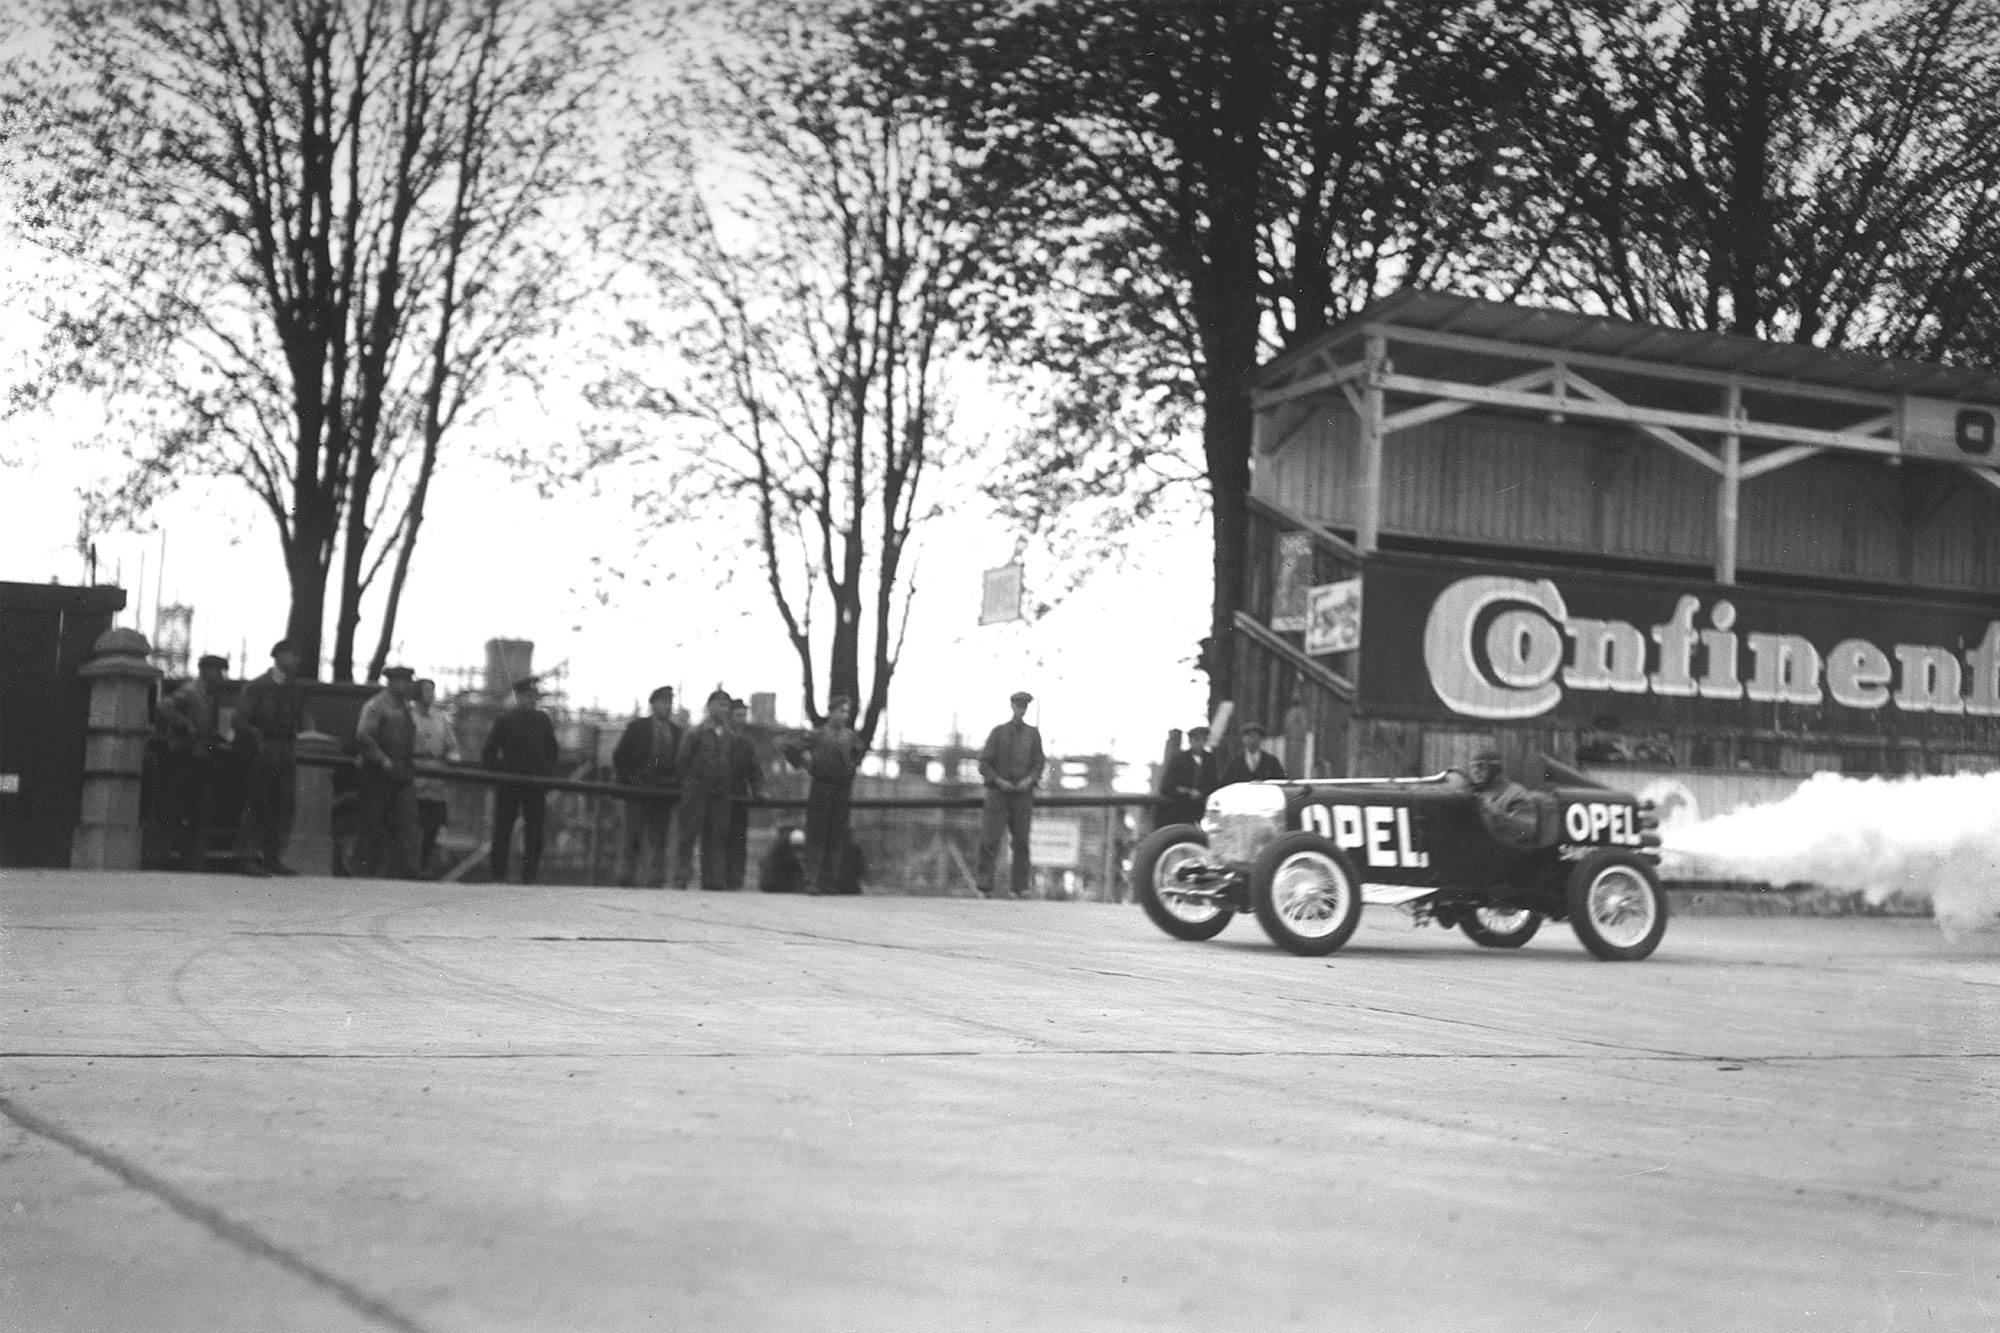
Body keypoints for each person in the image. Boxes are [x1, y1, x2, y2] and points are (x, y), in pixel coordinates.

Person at [233, 639, 311, 877]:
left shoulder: (295, 688)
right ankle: (246, 857)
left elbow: (300, 720)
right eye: (292, 655)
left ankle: (272, 857)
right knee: (257, 803)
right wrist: (259, 740)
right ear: (278, 656)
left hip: (286, 748)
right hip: (263, 750)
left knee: (284, 804)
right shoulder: (257, 687)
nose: (297, 661)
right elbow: (239, 721)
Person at [781, 695, 865, 896]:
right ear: (831, 711)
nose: (843, 716)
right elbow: (791, 749)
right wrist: (807, 765)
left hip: (841, 789)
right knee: (816, 835)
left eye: (846, 712)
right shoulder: (818, 735)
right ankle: (811, 881)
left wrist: (851, 767)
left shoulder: (849, 737)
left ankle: (829, 881)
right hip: (821, 787)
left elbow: (859, 751)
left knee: (836, 835)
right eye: (840, 711)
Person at [483, 675, 560, 883]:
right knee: (503, 830)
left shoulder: (543, 720)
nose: (532, 700)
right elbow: (489, 753)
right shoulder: (506, 720)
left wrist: (547, 776)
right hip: (510, 784)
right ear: (518, 697)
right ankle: (498, 875)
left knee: (535, 832)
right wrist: (503, 773)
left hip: (535, 785)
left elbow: (552, 751)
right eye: (527, 696)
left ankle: (529, 875)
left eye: (534, 696)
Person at [156, 653, 229, 870]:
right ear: (204, 670)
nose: (220, 675)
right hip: (183, 759)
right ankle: (160, 858)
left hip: (198, 759)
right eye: (216, 670)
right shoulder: (190, 691)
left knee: (196, 812)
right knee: (174, 810)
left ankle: (189, 862)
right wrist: (184, 724)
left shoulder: (207, 695)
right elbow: (164, 706)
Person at [976, 690, 1045, 899]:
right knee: (990, 839)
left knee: (1021, 841)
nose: (1021, 710)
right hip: (998, 793)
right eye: (1018, 705)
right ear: (1012, 706)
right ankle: (984, 886)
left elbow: (1039, 762)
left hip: (1022, 795)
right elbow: (984, 763)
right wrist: (998, 781)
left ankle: (1019, 887)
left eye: (1024, 706)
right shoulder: (998, 733)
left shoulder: (1032, 734)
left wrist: (1029, 780)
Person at [354, 666, 422, 878]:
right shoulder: (376, 705)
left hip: (400, 772)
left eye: (408, 681)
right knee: (371, 822)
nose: (407, 685)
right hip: (376, 773)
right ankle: (362, 869)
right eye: (402, 681)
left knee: (408, 822)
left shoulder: (404, 708)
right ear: (391, 682)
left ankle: (409, 871)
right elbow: (364, 735)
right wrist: (382, 759)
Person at [612, 686, 682, 889]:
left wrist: (672, 783)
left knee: (658, 837)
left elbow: (681, 763)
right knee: (632, 835)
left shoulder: (676, 732)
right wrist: (629, 780)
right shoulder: (637, 728)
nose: (667, 707)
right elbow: (620, 756)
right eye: (663, 702)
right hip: (638, 791)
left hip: (662, 794)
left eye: (669, 703)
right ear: (653, 704)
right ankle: (627, 876)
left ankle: (654, 878)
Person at [672, 689, 736, 890]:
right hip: (696, 790)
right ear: (709, 707)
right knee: (687, 835)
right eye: (720, 705)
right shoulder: (696, 733)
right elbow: (682, 761)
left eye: (727, 706)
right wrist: (690, 784)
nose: (724, 710)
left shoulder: (730, 736)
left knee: (716, 836)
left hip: (719, 794)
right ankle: (681, 876)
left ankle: (713, 879)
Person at [1450, 744, 1542, 851]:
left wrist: (1484, 810)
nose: (1475, 771)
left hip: (1507, 857)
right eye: (1472, 767)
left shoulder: (1516, 793)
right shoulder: (1476, 792)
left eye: (1481, 766)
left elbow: (1522, 833)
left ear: (1495, 768)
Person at [724, 698, 761, 890]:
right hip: (720, 794)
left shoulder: (747, 743)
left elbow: (754, 770)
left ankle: (736, 881)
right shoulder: (721, 737)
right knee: (719, 837)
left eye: (744, 715)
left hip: (739, 795)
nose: (742, 720)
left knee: (738, 840)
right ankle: (718, 879)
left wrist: (759, 791)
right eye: (738, 715)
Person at [1153, 724, 1215, 829]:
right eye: (1196, 740)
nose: (1200, 743)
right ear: (1190, 741)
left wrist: (1202, 793)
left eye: (1203, 740)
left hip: (1200, 810)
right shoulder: (1179, 759)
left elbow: (1213, 783)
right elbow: (1167, 786)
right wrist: (1188, 792)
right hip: (1178, 809)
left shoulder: (1210, 760)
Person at [1215, 721, 1286, 787]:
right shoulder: (1235, 762)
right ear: (1243, 739)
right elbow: (1226, 784)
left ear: (1260, 739)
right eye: (1248, 736)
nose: (1251, 740)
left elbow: (1280, 782)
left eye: (1254, 736)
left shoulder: (1271, 761)